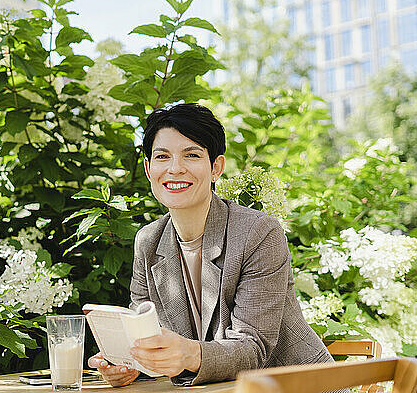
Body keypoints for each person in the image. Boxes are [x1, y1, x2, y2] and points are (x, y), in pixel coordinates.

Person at [88, 103, 336, 386]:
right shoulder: (148, 241)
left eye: (191, 155)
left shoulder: (257, 232)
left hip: (299, 388)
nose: (175, 168)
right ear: (148, 168)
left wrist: (187, 354)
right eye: (162, 156)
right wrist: (132, 363)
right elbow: (149, 334)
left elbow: (252, 348)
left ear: (216, 167)